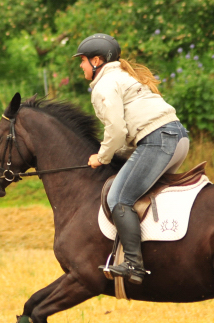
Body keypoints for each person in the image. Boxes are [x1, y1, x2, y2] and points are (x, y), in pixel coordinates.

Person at [73, 33, 189, 285]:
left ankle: (134, 264)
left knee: (119, 197)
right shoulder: (125, 77)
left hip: (158, 141)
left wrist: (101, 158)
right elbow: (127, 136)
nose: (80, 66)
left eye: (82, 61)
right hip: (179, 139)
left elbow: (115, 131)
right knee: (139, 194)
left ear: (96, 61)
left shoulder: (103, 85)